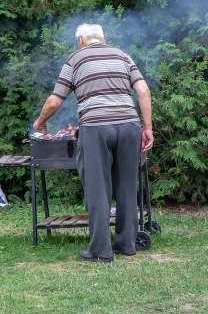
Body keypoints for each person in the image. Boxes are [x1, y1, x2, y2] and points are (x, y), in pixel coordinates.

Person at [33, 23, 154, 262]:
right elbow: (144, 91)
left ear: (81, 40)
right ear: (101, 38)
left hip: (96, 128)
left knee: (98, 189)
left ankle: (101, 250)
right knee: (127, 185)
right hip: (130, 126)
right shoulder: (122, 55)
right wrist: (148, 127)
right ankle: (127, 244)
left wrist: (39, 123)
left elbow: (55, 101)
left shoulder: (75, 59)